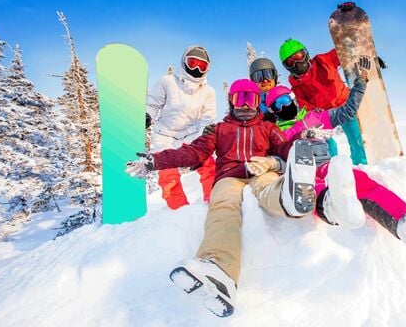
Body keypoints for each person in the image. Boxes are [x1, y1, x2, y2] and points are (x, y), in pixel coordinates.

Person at [126, 79, 324, 317]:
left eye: (250, 99)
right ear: (231, 102)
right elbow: (194, 152)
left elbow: (282, 149)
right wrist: (157, 161)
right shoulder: (219, 129)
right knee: (223, 207)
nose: (245, 105)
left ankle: (289, 198)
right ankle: (219, 270)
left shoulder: (268, 128)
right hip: (229, 176)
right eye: (239, 99)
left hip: (261, 169)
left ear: (257, 103)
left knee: (268, 186)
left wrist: (301, 140)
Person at [266, 68, 406, 255]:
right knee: (311, 188)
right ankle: (334, 207)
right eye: (277, 106)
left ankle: (404, 223)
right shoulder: (276, 133)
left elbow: (347, 112)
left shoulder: (315, 117)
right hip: (303, 171)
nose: (283, 108)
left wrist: (360, 83)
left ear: (292, 99)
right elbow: (273, 154)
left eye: (284, 101)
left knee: (360, 179)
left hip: (326, 167)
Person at [146, 45, 216, 207]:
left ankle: (214, 200)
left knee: (208, 165)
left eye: (202, 65)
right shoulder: (167, 82)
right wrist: (147, 115)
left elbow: (208, 118)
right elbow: (153, 102)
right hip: (165, 134)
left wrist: (205, 137)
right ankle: (178, 209)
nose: (197, 68)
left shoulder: (208, 92)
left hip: (191, 135)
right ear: (184, 62)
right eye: (192, 63)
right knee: (168, 174)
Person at [279, 38, 368, 165]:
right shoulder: (297, 86)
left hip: (343, 106)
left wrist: (365, 56)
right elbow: (305, 106)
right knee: (326, 144)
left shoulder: (323, 61)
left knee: (356, 140)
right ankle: (330, 168)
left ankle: (361, 165)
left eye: (298, 56)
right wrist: (314, 111)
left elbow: (342, 54)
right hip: (326, 117)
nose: (297, 63)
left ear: (306, 53)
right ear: (286, 67)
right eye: (290, 62)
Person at [248, 57, 279, 122]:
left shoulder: (287, 96)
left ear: (275, 77)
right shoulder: (252, 106)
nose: (265, 80)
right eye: (258, 76)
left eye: (268, 74)